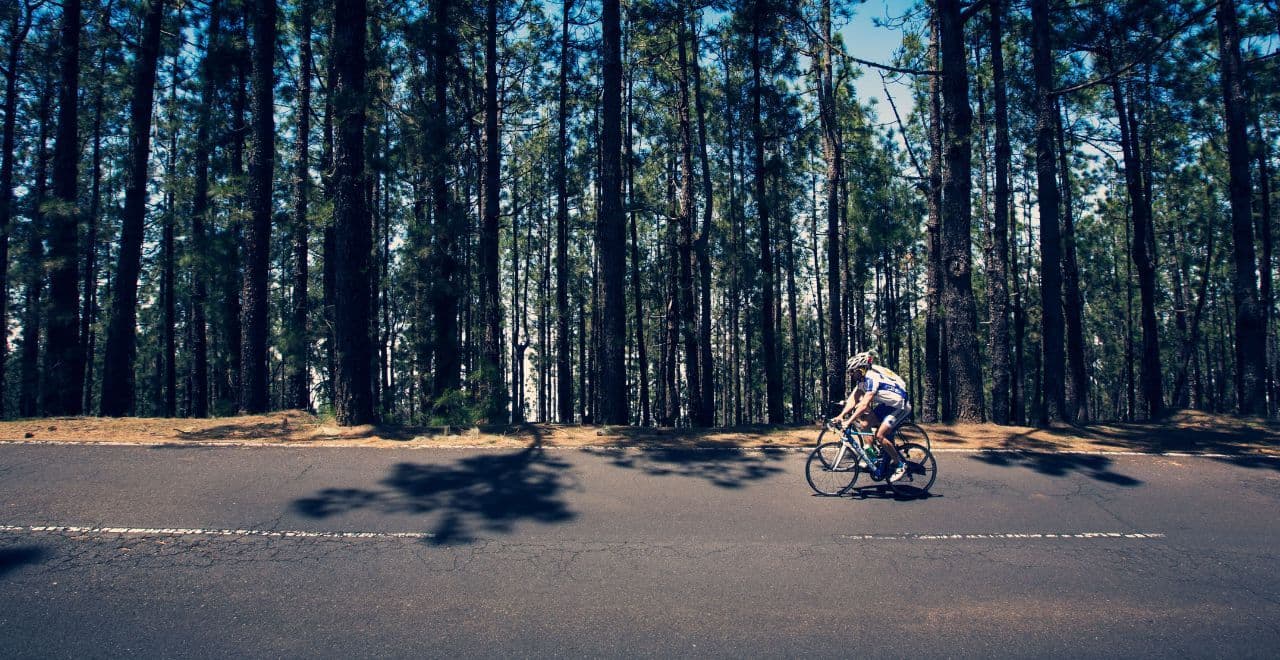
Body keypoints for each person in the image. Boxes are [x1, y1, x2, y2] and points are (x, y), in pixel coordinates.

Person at [830, 351, 913, 482]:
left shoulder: (871, 378)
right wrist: (841, 416)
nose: (851, 374)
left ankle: (900, 465)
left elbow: (864, 404)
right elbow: (854, 400)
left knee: (880, 435)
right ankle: (873, 456)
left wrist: (848, 421)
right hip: (887, 405)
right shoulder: (862, 381)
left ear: (861, 370)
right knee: (864, 425)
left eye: (853, 371)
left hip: (900, 406)